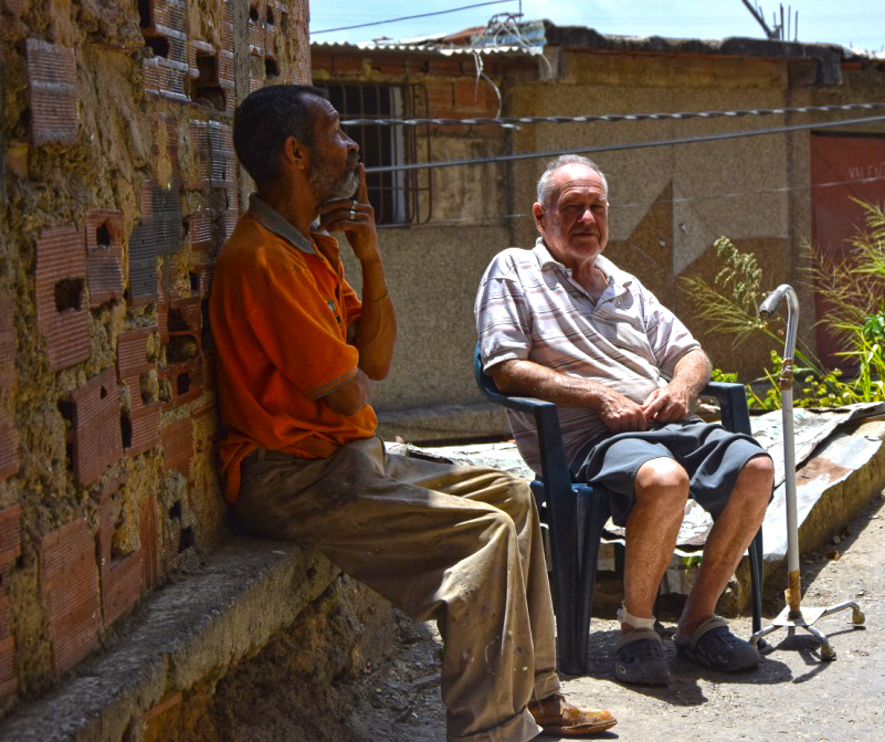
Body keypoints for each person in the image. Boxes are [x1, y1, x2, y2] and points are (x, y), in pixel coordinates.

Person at [209, 85, 614, 741]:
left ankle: (540, 696)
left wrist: (369, 257)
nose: (352, 146)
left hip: (346, 457)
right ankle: (490, 733)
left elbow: (376, 360)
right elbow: (350, 394)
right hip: (292, 476)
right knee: (484, 537)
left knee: (512, 496)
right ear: (295, 154)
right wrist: (348, 370)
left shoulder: (311, 249)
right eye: (336, 132)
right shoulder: (261, 259)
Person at [474, 154, 775, 687]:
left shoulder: (623, 283)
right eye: (573, 208)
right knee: (665, 479)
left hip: (660, 423)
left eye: (597, 207)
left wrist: (680, 389)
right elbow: (504, 367)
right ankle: (637, 631)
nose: (587, 219)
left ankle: (698, 621)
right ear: (541, 217)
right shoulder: (513, 269)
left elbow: (692, 353)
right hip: (586, 437)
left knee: (756, 468)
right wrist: (598, 397)